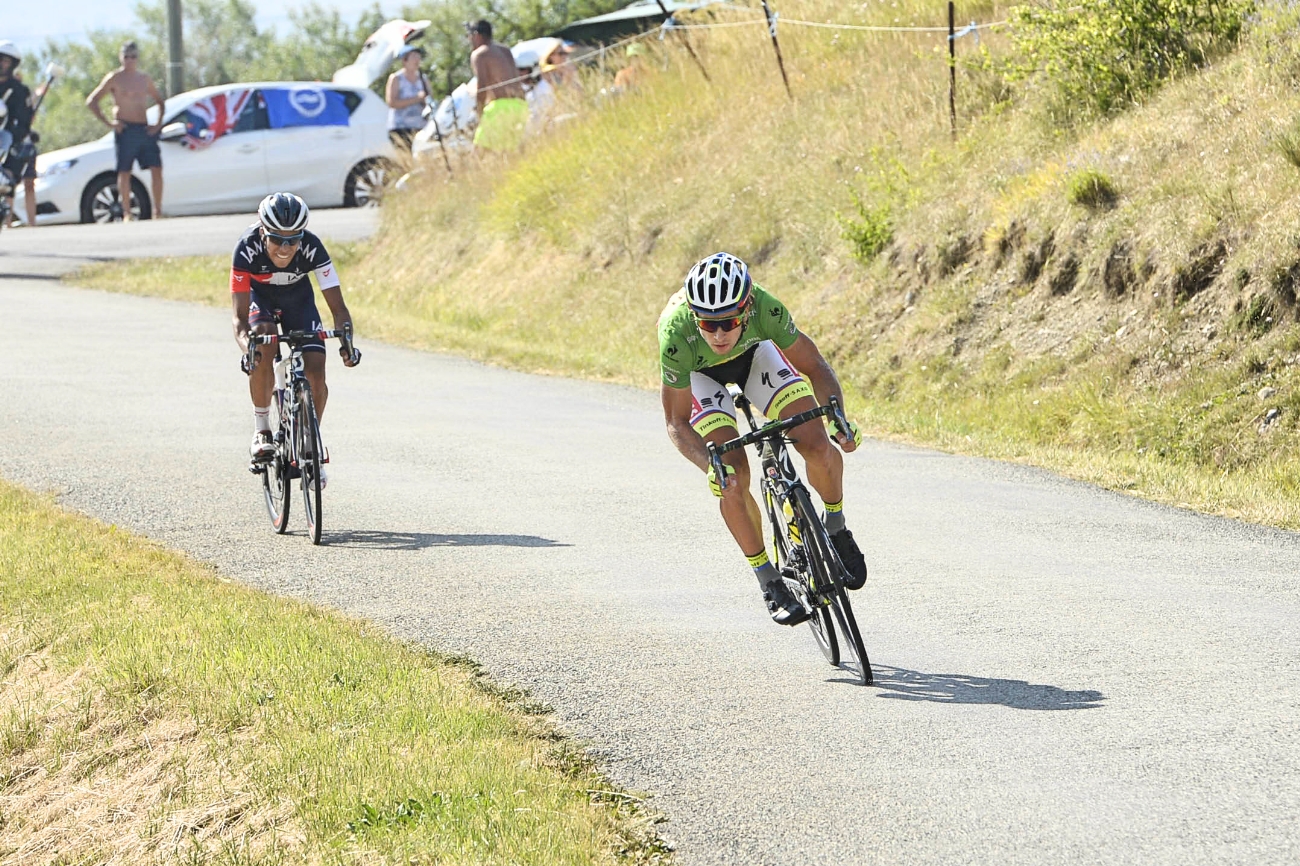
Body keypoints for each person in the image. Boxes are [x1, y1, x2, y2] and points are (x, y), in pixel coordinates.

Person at [659, 253, 868, 625]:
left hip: (757, 355)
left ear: (747, 307)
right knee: (733, 478)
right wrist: (712, 466)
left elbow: (815, 367)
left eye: (728, 322)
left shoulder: (766, 310)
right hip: (700, 375)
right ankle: (768, 579)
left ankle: (835, 525)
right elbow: (676, 421)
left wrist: (838, 418)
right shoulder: (676, 335)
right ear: (694, 317)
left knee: (817, 444)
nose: (718, 334)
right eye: (708, 323)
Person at [231, 193, 361, 486]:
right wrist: (247, 347)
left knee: (316, 369)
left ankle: (310, 441)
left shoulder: (313, 247)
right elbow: (239, 319)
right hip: (259, 299)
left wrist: (346, 343)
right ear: (263, 231)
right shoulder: (246, 249)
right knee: (264, 342)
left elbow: (339, 309)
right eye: (278, 239)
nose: (286, 248)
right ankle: (262, 428)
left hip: (298, 301)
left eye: (294, 239)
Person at [86, 41, 165, 221]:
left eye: (133, 57)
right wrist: (110, 123)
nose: (129, 60)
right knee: (124, 171)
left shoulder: (144, 79)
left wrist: (157, 125)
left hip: (143, 128)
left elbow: (160, 101)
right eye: (126, 56)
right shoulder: (114, 78)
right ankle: (127, 212)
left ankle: (158, 211)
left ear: (137, 58)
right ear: (121, 58)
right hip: (125, 128)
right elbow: (92, 101)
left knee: (156, 168)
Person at [467, 19, 528, 153]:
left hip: (501, 107)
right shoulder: (505, 50)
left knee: (480, 153)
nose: (469, 40)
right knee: (509, 153)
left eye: (469, 36)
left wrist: (479, 111)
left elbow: (482, 86)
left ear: (476, 35)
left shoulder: (479, 54)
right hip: (520, 105)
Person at [0, 41, 36, 227]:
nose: (2, 64)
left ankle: (12, 222)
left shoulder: (20, 90)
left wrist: (17, 137)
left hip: (13, 142)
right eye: (0, 60)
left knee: (10, 180)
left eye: (6, 61)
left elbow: (25, 119)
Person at [385, 44, 429, 152]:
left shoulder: (423, 78)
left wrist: (425, 100)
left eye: (418, 56)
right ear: (405, 60)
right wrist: (416, 98)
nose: (417, 60)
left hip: (420, 126)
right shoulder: (396, 78)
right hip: (401, 127)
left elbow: (429, 98)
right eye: (413, 56)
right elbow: (392, 102)